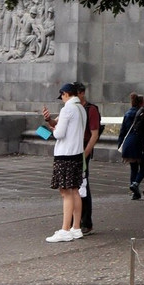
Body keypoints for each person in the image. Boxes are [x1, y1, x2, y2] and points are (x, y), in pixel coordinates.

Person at [41, 83, 86, 242]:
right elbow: (56, 123)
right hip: (76, 154)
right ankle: (76, 228)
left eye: (62, 96)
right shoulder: (81, 108)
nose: (61, 100)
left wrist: (52, 130)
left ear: (66, 94)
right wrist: (48, 120)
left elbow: (59, 133)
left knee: (65, 192)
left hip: (65, 154)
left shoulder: (67, 108)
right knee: (74, 191)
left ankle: (65, 229)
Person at [74, 82, 101, 234]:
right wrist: (48, 121)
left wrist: (85, 154)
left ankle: (86, 221)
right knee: (73, 185)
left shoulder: (91, 109)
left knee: (83, 184)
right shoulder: (71, 108)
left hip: (83, 148)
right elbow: (56, 124)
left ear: (82, 93)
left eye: (74, 94)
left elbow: (94, 135)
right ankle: (74, 220)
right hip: (72, 149)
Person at [117, 92, 144, 200]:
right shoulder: (142, 114)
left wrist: (120, 144)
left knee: (133, 168)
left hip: (128, 143)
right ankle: (135, 183)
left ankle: (135, 193)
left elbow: (122, 131)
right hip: (138, 142)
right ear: (140, 103)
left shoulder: (127, 113)